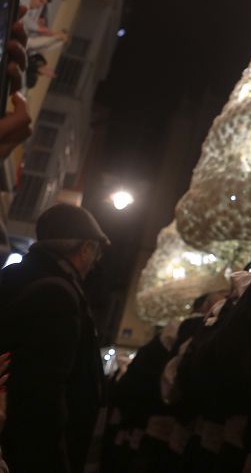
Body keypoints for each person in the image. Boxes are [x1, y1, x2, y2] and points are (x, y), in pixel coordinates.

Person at [0, 203, 111, 473]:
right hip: (24, 452)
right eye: (95, 252)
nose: (94, 263)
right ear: (85, 249)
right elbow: (44, 395)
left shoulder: (15, 276)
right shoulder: (57, 294)